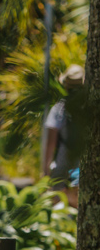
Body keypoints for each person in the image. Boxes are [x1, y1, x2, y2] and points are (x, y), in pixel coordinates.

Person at [43, 63, 84, 205]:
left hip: (64, 160)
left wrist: (46, 171)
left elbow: (51, 143)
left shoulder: (59, 108)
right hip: (84, 160)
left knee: (57, 199)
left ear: (66, 85)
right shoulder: (91, 107)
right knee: (79, 201)